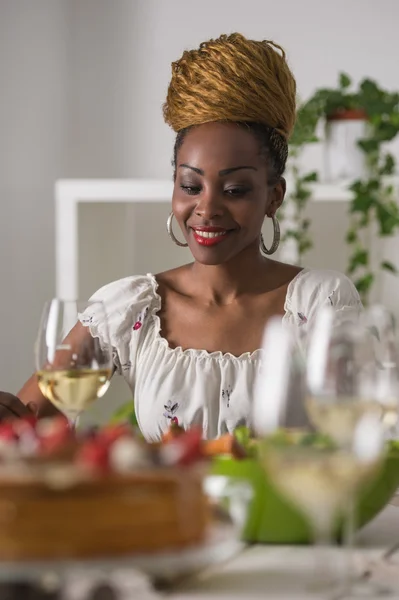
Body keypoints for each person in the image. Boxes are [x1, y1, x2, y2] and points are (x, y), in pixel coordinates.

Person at [0, 33, 362, 439]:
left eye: (235, 190)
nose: (207, 209)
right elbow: (24, 428)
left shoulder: (321, 303)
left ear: (273, 196)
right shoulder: (129, 308)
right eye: (191, 187)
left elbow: (363, 442)